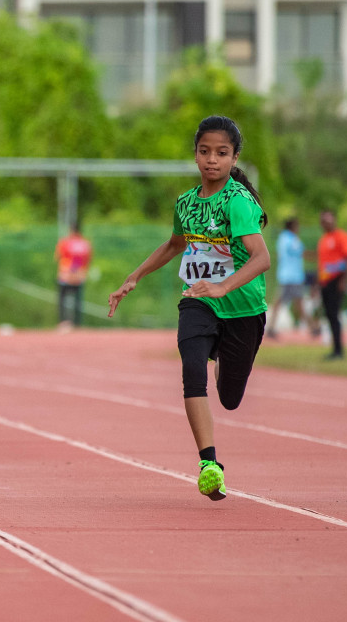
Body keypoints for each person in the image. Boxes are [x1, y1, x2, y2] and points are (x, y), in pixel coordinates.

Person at [107, 115, 270, 502]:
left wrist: (223, 287)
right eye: (205, 151)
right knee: (191, 366)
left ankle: (220, 354)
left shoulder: (239, 202)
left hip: (244, 308)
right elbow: (174, 245)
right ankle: (209, 465)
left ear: (234, 159)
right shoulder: (185, 203)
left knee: (230, 398)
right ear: (195, 154)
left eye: (222, 153)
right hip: (197, 299)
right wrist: (135, 275)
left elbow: (261, 258)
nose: (212, 160)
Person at [315, 210, 347, 359]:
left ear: (334, 220)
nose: (325, 224)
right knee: (330, 315)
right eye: (323, 221)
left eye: (327, 220)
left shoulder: (341, 237)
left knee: (334, 314)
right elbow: (322, 264)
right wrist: (317, 284)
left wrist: (344, 280)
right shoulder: (323, 240)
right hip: (325, 282)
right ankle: (335, 348)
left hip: (336, 280)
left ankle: (338, 350)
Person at [269, 217, 312, 338]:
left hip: (286, 275)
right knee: (293, 303)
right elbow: (301, 252)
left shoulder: (282, 238)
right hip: (292, 276)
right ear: (293, 227)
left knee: (296, 303)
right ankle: (313, 327)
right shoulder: (292, 239)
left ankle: (313, 327)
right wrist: (318, 257)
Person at [55, 221, 92, 328]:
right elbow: (88, 259)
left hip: (65, 275)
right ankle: (77, 324)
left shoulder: (65, 242)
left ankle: (62, 322)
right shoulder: (85, 243)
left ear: (70, 230)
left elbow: (58, 256)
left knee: (62, 300)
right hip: (79, 275)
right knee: (78, 301)